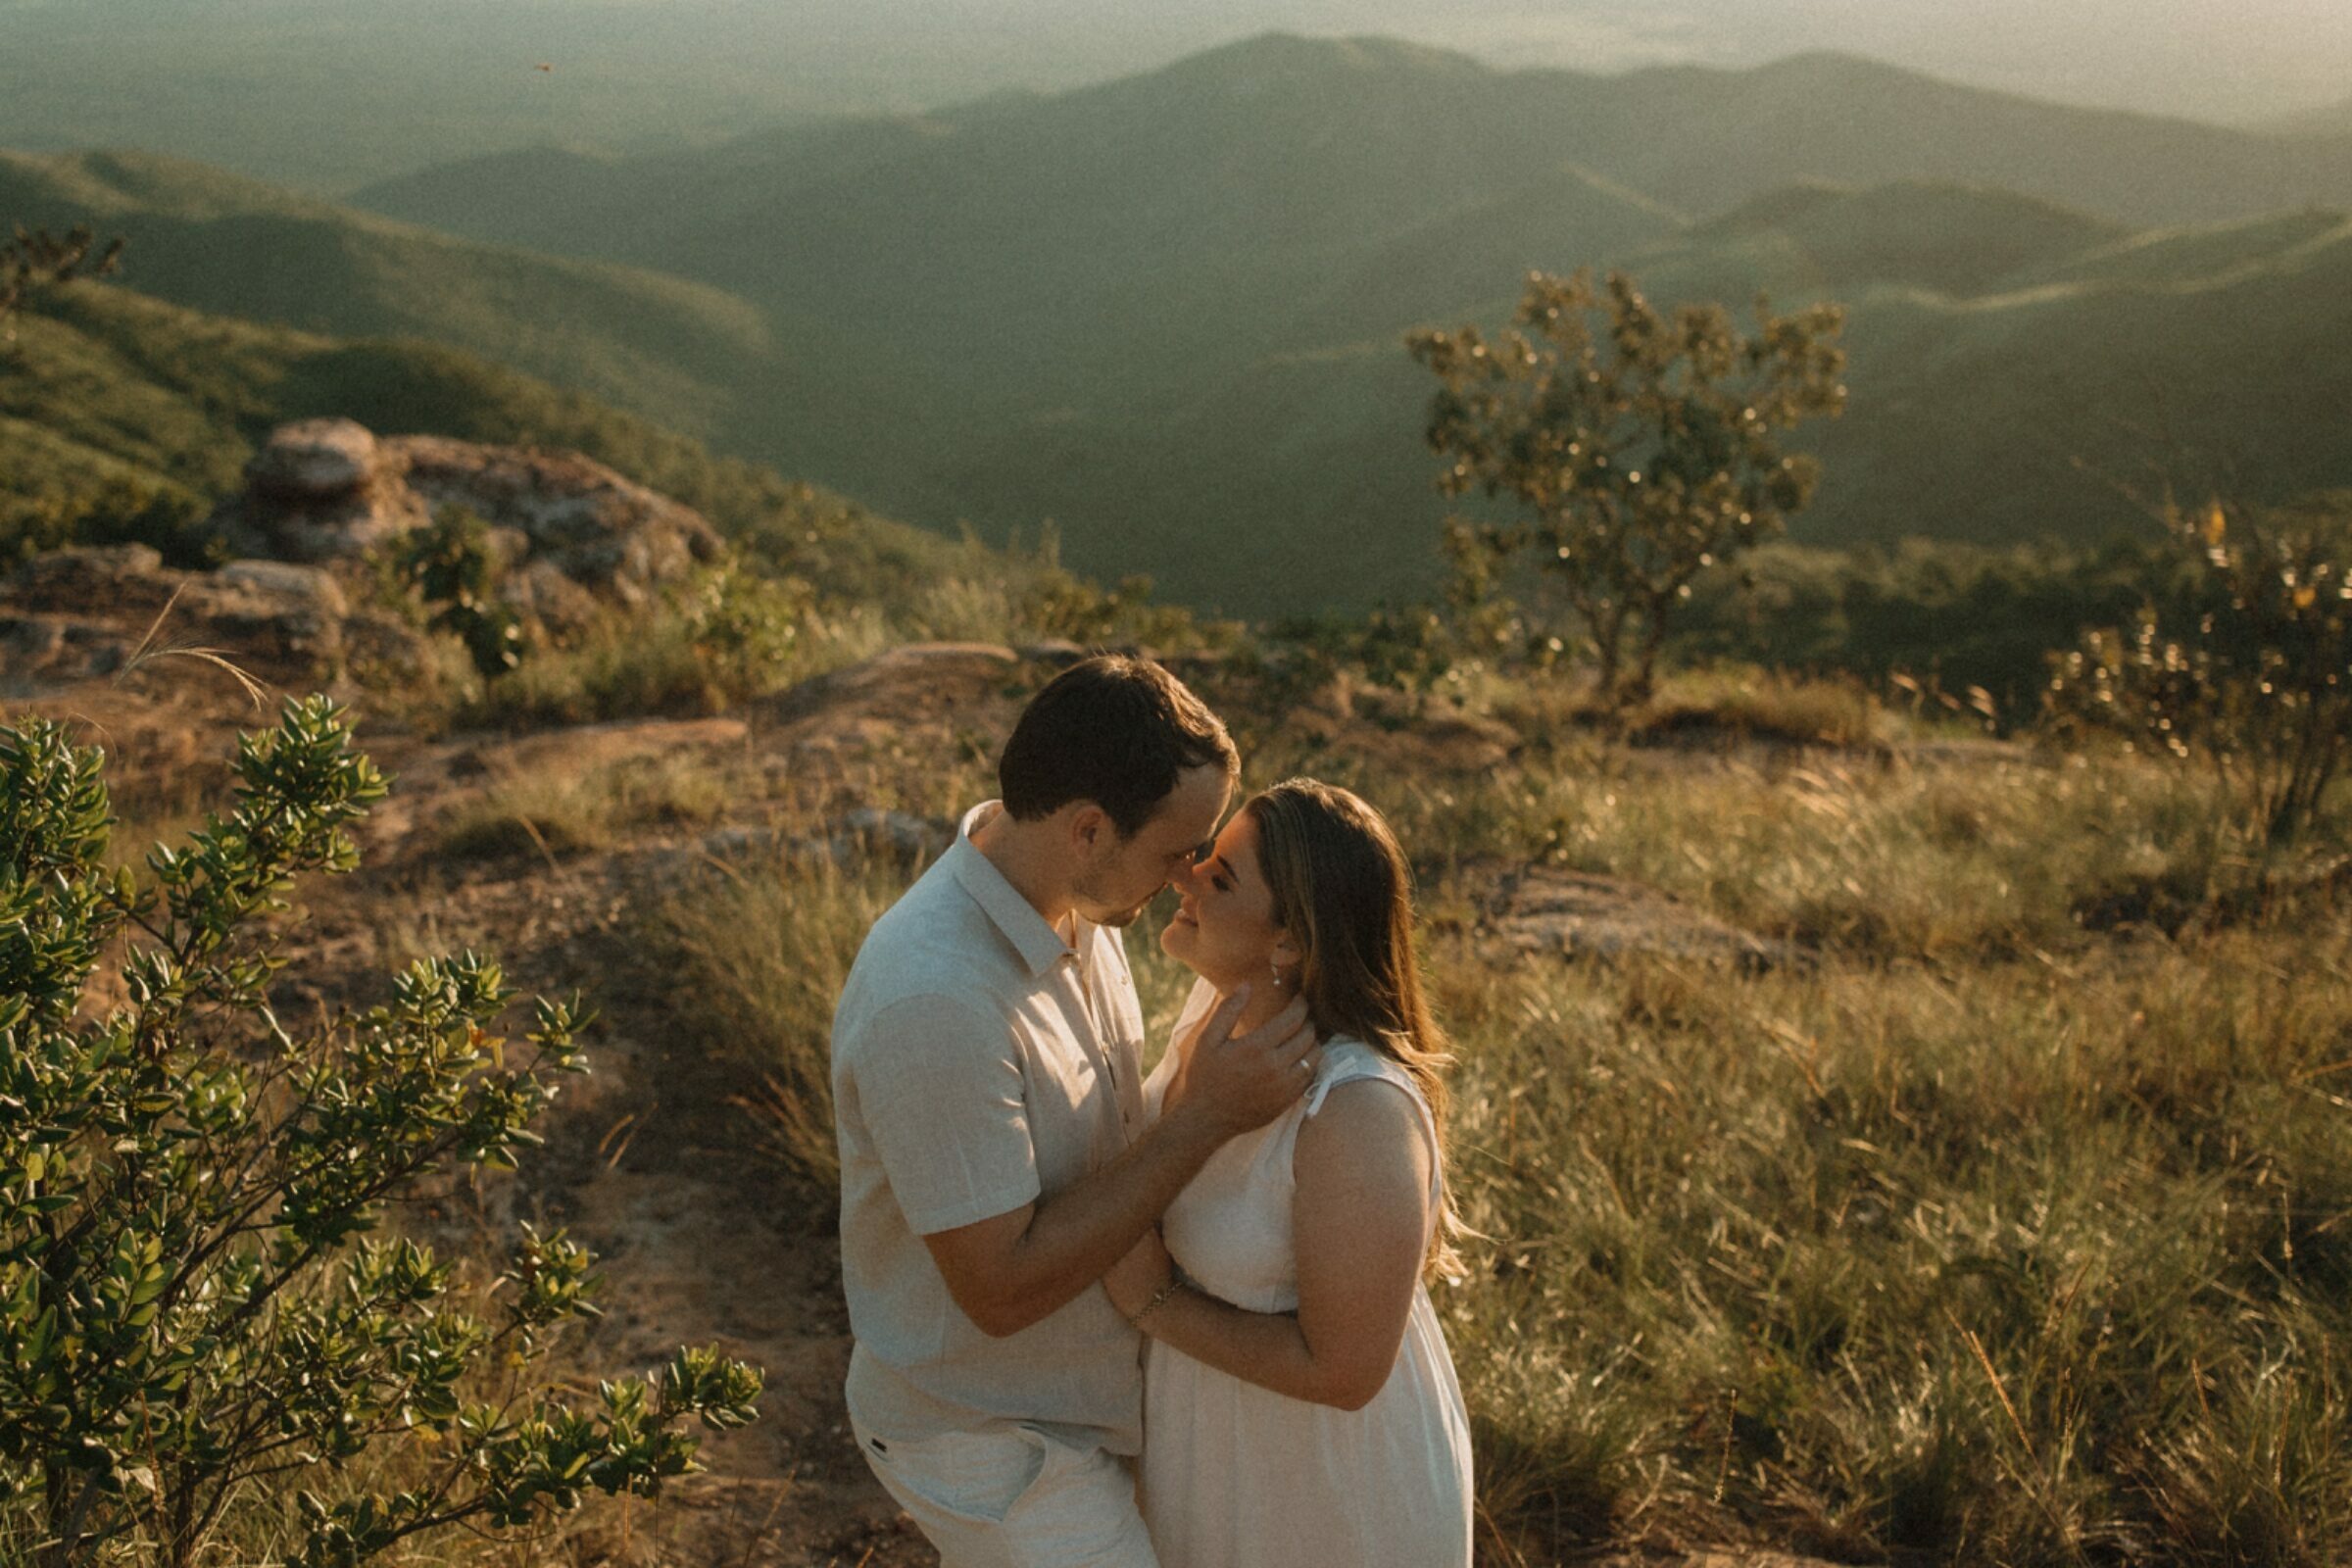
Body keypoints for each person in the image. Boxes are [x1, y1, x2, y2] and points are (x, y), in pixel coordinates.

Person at [829, 654, 1321, 1568]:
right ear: (1088, 828)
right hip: (993, 1438)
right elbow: (1000, 1290)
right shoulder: (936, 1001)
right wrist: (1204, 1120)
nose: (1190, 876)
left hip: (1093, 1403)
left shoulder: (1077, 905)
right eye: (1179, 849)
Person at [1106, 778, 1475, 1568]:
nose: (1185, 875)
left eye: (1222, 876)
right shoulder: (1212, 1018)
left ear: (1292, 944)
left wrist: (1150, 1302)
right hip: (1209, 1450)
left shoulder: (1355, 1110)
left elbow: (1344, 1371)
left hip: (1330, 1493)